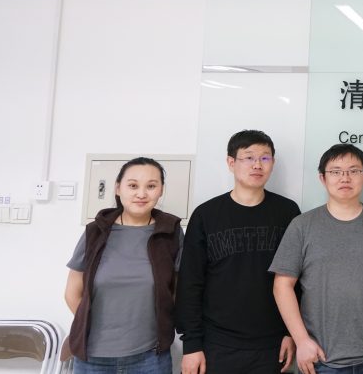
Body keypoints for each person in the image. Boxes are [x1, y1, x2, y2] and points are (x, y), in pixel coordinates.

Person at [175, 130, 301, 374]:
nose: (257, 165)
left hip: (272, 344)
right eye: (249, 157)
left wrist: (291, 332)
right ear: (231, 162)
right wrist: (191, 344)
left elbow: (297, 279)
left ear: (273, 163)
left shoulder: (287, 212)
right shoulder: (206, 215)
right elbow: (190, 283)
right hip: (216, 343)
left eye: (265, 158)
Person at [270, 144, 363, 374]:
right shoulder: (302, 225)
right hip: (320, 358)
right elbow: (282, 285)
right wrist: (301, 341)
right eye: (336, 171)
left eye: (353, 171)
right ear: (322, 178)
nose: (345, 178)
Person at [64, 157, 183, 374]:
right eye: (133, 185)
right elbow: (72, 293)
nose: (141, 194)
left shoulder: (170, 233)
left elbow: (176, 291)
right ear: (118, 188)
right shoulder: (95, 232)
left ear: (161, 190)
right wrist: (92, 327)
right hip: (92, 358)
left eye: (151, 186)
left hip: (151, 358)